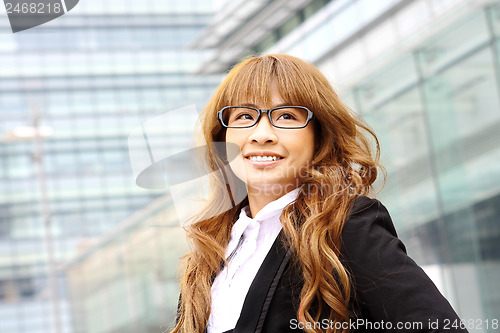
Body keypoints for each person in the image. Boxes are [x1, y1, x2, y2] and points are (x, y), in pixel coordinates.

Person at [170, 54, 468, 333]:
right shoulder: (209, 253)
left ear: (320, 134)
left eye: (286, 116)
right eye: (245, 116)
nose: (261, 134)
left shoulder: (346, 226)